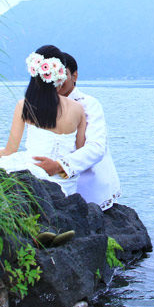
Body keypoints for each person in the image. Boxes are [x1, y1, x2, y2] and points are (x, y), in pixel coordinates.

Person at [0, 45, 87, 196]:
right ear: (60, 74)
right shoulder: (78, 109)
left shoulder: (25, 105)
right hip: (66, 183)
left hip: (34, 178)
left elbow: (10, 150)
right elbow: (81, 153)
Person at [33, 52, 121, 210]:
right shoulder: (42, 106)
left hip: (88, 184)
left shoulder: (89, 104)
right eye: (51, 74)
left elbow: (96, 147)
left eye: (62, 74)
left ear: (75, 76)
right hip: (52, 182)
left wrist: (59, 165)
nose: (56, 79)